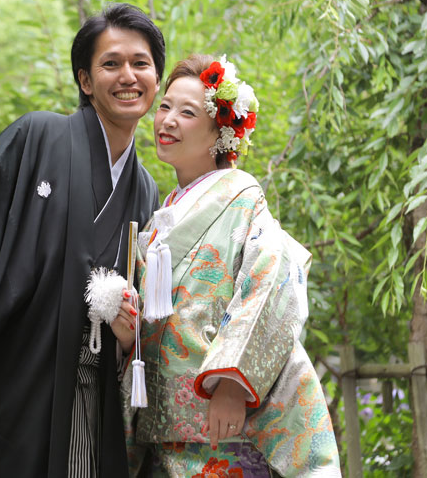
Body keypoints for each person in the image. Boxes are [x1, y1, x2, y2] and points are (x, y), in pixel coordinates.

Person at [0, 3, 164, 478]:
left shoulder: (145, 190)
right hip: (13, 383)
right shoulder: (40, 136)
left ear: (155, 79)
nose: (128, 76)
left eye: (140, 63)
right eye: (111, 63)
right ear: (85, 80)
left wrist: (127, 333)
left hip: (89, 393)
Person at [109, 55, 341, 477]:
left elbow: (275, 282)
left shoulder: (244, 200)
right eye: (165, 106)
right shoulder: (160, 216)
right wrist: (129, 336)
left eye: (187, 112)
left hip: (225, 426)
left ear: (221, 132)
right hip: (165, 433)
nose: (168, 120)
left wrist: (233, 382)